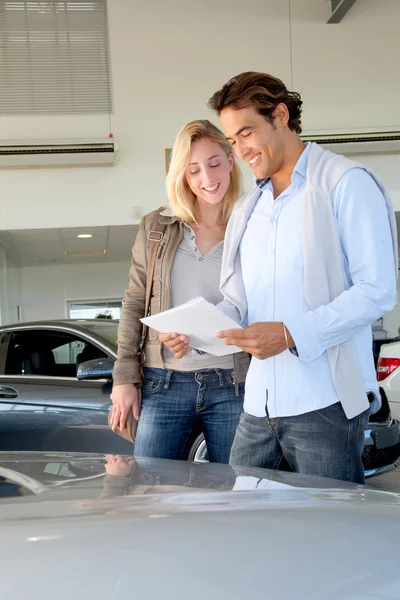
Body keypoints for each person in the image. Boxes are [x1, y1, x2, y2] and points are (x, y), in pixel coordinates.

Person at [178, 71, 396, 484]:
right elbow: (239, 302)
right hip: (258, 406)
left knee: (331, 532)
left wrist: (291, 333)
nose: (240, 150)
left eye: (247, 133)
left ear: (280, 115)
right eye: (233, 141)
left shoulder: (345, 183)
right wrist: (197, 332)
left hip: (325, 403)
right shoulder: (246, 208)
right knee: (249, 530)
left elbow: (377, 291)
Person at [110, 119, 249, 463]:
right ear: (182, 176)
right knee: (154, 492)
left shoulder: (253, 223)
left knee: (237, 494)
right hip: (164, 383)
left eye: (215, 164)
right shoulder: (157, 226)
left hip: (234, 383)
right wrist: (124, 378)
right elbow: (133, 304)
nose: (207, 178)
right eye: (194, 170)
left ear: (231, 161)